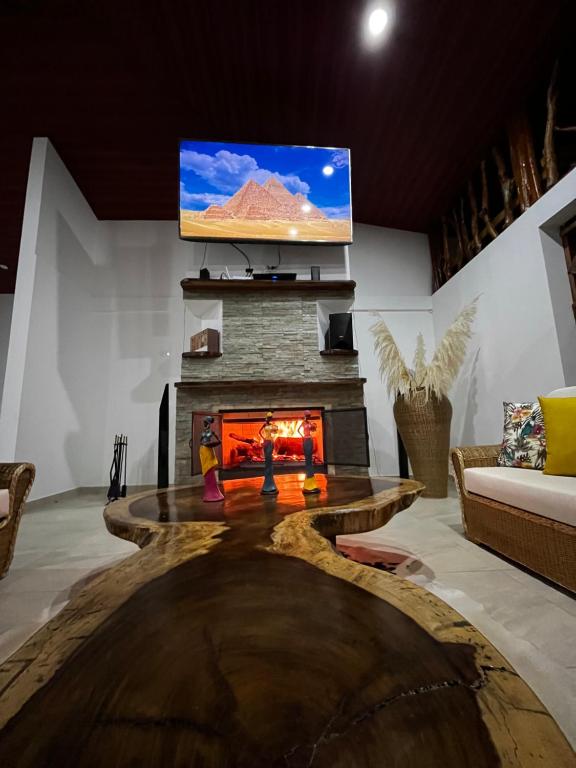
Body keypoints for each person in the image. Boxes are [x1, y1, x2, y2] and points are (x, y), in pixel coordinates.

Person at [199, 416, 224, 502]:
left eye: (205, 422)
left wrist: (214, 443)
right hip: (203, 451)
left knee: (209, 470)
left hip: (208, 450)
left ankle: (213, 493)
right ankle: (208, 492)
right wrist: (202, 444)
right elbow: (201, 441)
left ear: (208, 423)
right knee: (206, 470)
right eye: (204, 422)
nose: (204, 423)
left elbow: (219, 441)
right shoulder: (203, 432)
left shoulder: (212, 432)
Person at [298, 410, 320, 494]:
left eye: (309, 416)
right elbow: (298, 430)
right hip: (306, 440)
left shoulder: (310, 423)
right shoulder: (303, 423)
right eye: (307, 415)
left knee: (310, 459)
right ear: (305, 416)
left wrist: (313, 426)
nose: (308, 417)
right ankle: (309, 481)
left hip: (310, 439)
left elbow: (313, 429)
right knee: (307, 459)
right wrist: (302, 437)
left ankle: (311, 481)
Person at [259, 411, 279, 495]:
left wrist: (274, 431)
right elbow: (259, 432)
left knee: (270, 460)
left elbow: (275, 432)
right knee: (267, 461)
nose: (269, 419)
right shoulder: (264, 425)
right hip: (266, 442)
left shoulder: (272, 425)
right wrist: (263, 438)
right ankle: (267, 484)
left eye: (271, 418)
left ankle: (270, 483)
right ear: (267, 417)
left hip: (270, 442)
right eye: (269, 418)